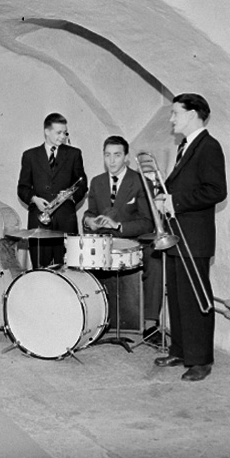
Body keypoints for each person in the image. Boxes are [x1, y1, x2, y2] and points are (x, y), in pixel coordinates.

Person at [154, 93, 227, 381]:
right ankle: (181, 351)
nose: (171, 118)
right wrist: (165, 197)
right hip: (178, 236)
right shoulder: (186, 146)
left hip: (194, 239)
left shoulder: (209, 147)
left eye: (175, 113)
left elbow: (216, 190)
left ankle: (200, 360)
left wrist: (176, 201)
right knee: (178, 298)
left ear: (193, 114)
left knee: (196, 299)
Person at [82, 135, 161, 327]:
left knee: (155, 262)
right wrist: (89, 221)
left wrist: (118, 226)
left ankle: (150, 323)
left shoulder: (141, 181)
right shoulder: (97, 182)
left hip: (135, 240)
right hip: (104, 240)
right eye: (107, 155)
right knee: (80, 259)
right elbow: (91, 212)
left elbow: (147, 223)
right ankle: (92, 320)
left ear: (126, 157)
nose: (111, 161)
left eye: (117, 155)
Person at [17, 113, 87, 268]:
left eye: (65, 133)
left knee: (69, 269)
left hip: (66, 221)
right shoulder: (30, 156)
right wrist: (34, 199)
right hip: (39, 222)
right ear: (47, 131)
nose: (62, 137)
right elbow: (22, 188)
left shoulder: (74, 154)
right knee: (40, 270)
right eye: (58, 132)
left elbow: (82, 184)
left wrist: (70, 196)